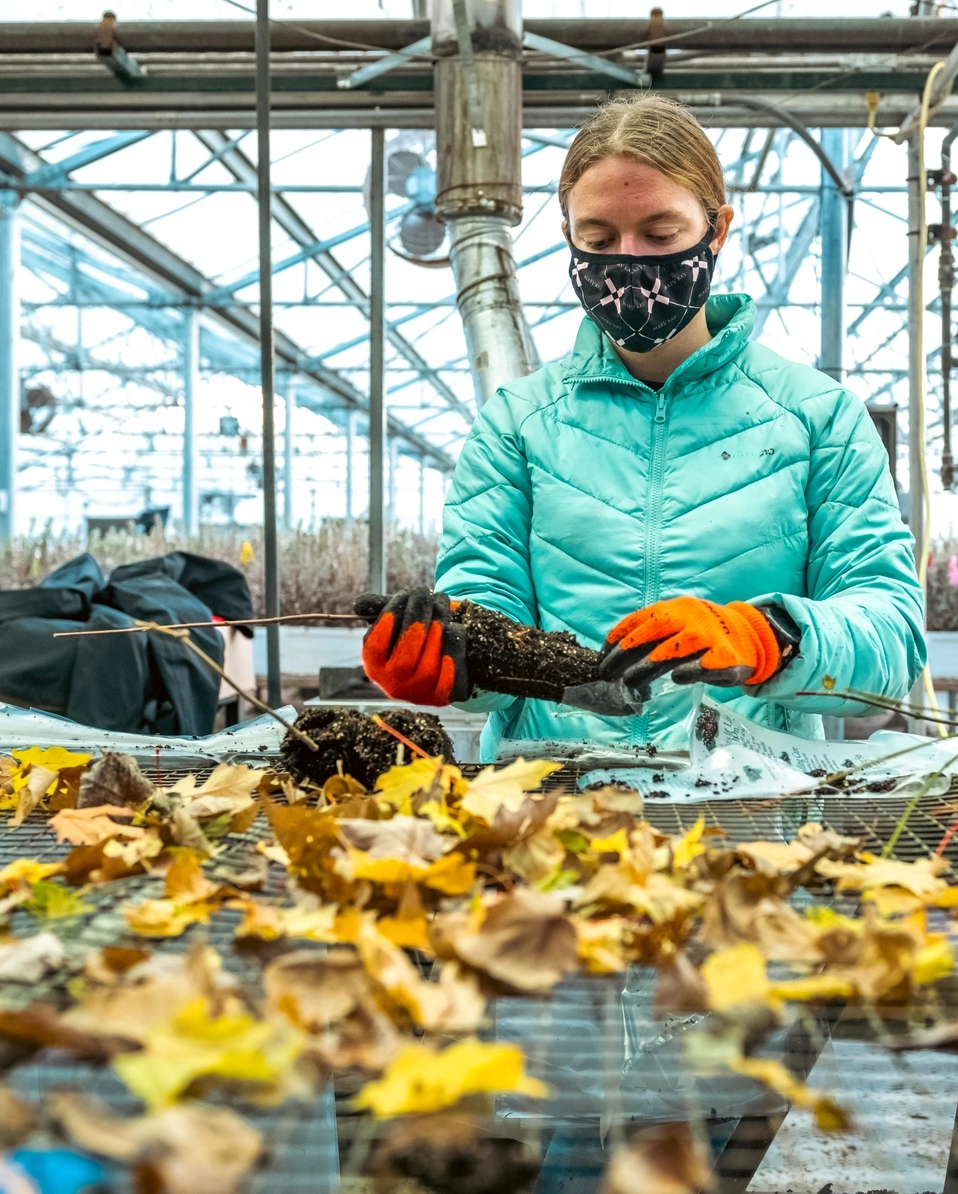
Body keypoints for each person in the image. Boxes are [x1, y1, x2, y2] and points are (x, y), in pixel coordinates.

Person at [361, 94, 925, 757]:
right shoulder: (517, 425)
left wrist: (770, 635)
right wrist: (447, 661)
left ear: (716, 231)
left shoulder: (816, 417)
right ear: (569, 237)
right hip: (549, 807)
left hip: (752, 813)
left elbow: (892, 640)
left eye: (661, 235)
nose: (628, 262)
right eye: (598, 239)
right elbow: (488, 618)